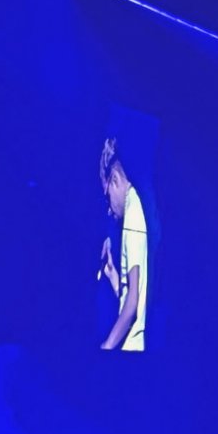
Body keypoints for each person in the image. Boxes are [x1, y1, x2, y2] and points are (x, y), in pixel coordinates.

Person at [97, 137, 148, 351]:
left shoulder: (133, 216)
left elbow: (132, 304)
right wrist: (114, 277)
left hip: (131, 350)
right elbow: (131, 295)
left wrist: (107, 346)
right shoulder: (133, 212)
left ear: (115, 179)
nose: (109, 209)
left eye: (107, 197)